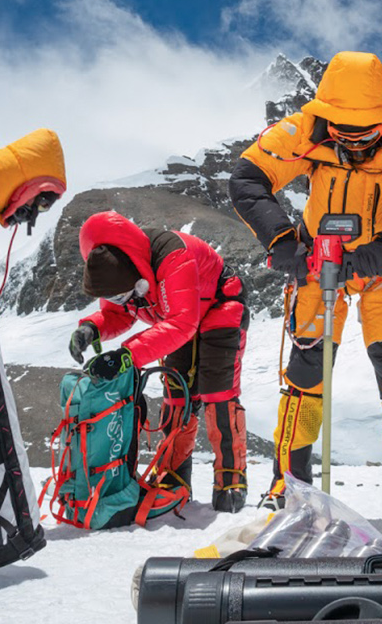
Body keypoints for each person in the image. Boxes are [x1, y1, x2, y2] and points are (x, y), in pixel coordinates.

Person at [228, 51, 382, 531]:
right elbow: (248, 178)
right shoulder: (304, 128)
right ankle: (287, 487)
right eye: (341, 132)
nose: (352, 142)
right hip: (317, 266)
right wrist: (283, 243)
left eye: (365, 133)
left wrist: (381, 250)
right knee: (306, 373)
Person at [69, 210, 251, 512]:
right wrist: (92, 327)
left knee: (218, 393)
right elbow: (118, 314)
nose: (122, 301)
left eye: (123, 295)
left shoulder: (171, 256)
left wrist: (127, 355)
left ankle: (231, 479)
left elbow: (182, 322)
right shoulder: (119, 268)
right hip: (180, 319)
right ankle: (173, 478)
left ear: (135, 276)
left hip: (220, 307)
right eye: (114, 298)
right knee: (177, 396)